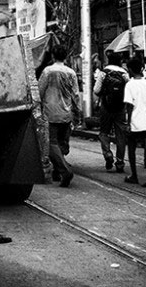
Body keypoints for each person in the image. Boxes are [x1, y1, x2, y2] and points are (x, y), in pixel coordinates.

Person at [38, 44, 81, 187]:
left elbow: (39, 91)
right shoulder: (71, 73)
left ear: (53, 56)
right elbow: (75, 95)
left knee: (52, 144)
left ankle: (65, 170)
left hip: (51, 113)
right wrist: (78, 112)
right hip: (66, 113)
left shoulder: (47, 71)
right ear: (65, 56)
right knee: (62, 144)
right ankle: (58, 171)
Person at [123, 57, 146, 188]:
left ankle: (134, 175)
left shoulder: (130, 84)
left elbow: (129, 105)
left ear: (131, 70)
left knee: (132, 147)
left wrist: (127, 123)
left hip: (134, 120)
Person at [95, 53, 129, 173]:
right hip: (120, 108)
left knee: (104, 133)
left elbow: (96, 90)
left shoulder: (104, 73)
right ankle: (120, 163)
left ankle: (108, 154)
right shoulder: (125, 74)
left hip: (106, 107)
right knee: (121, 135)